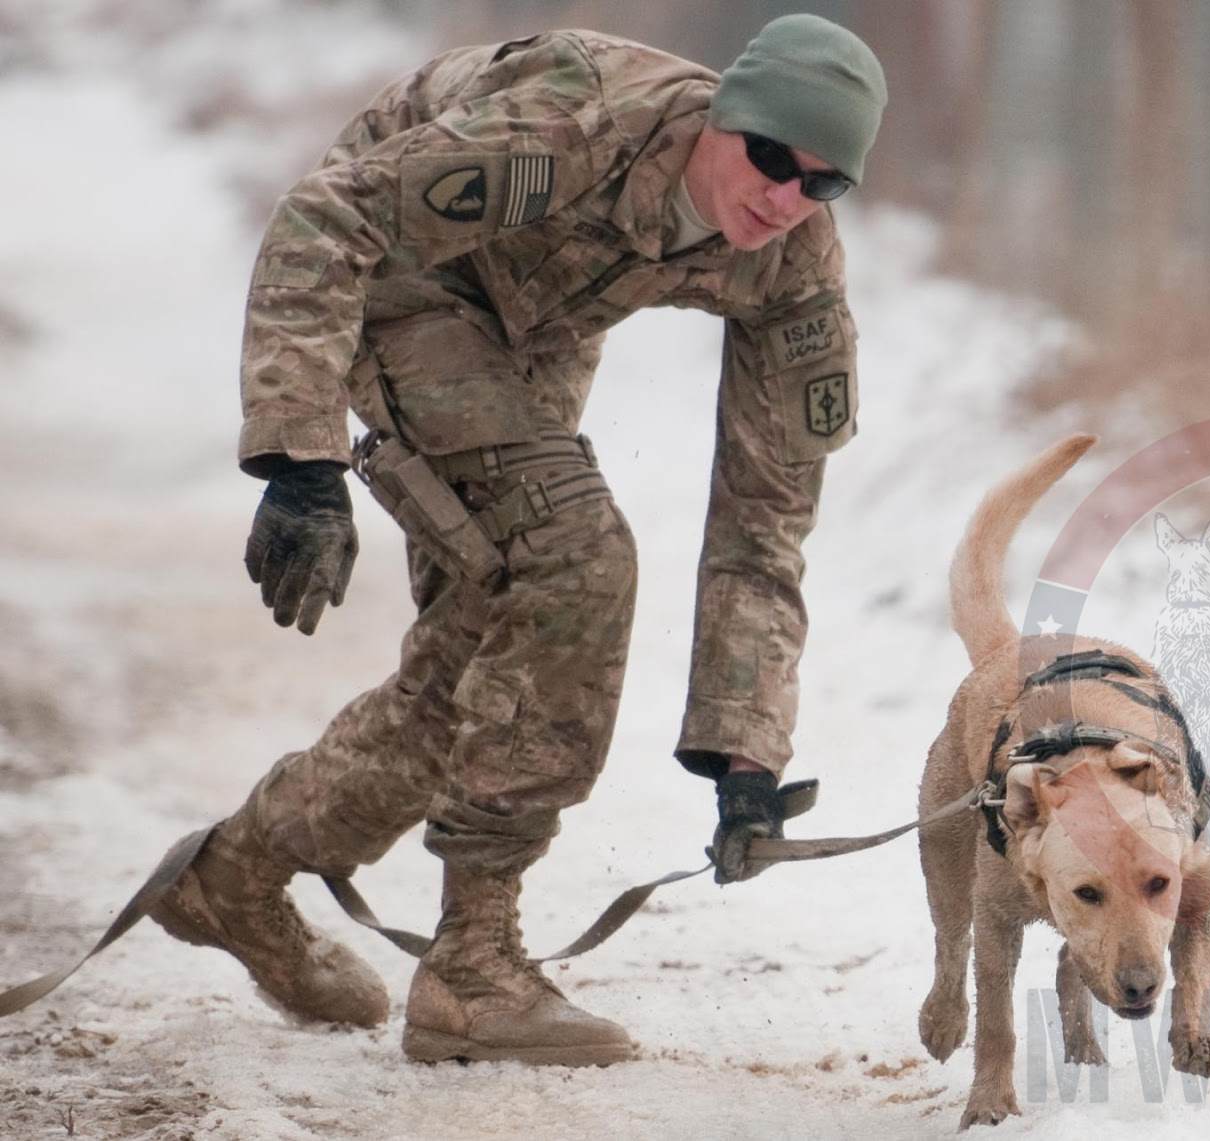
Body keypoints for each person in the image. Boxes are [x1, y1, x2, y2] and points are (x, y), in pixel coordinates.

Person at [147, 14, 886, 1067]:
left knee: (483, 658)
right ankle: (473, 967)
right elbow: (327, 218)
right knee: (579, 556)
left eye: (822, 183)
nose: (782, 197)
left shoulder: (792, 267)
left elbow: (765, 518)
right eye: (771, 157)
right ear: (723, 121)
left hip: (529, 333)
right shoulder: (576, 123)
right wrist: (298, 457)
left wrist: (746, 746)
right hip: (391, 276)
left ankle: (232, 878)